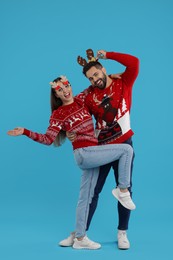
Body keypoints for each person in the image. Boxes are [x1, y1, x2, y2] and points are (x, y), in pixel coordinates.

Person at [7, 75, 136, 250]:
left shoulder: (82, 100)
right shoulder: (58, 114)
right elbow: (48, 139)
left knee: (85, 198)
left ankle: (79, 237)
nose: (65, 91)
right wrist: (25, 132)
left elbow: (97, 83)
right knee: (126, 150)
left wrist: (110, 75)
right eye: (60, 90)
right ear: (56, 95)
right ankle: (123, 190)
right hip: (84, 153)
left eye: (66, 86)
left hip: (92, 154)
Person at [64, 49, 140, 249]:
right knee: (92, 192)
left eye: (96, 74)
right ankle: (80, 234)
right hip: (102, 149)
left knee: (125, 189)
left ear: (103, 69)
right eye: (91, 78)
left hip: (124, 144)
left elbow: (134, 63)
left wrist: (108, 54)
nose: (95, 79)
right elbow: (73, 112)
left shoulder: (123, 82)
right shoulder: (88, 96)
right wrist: (69, 133)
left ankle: (122, 233)